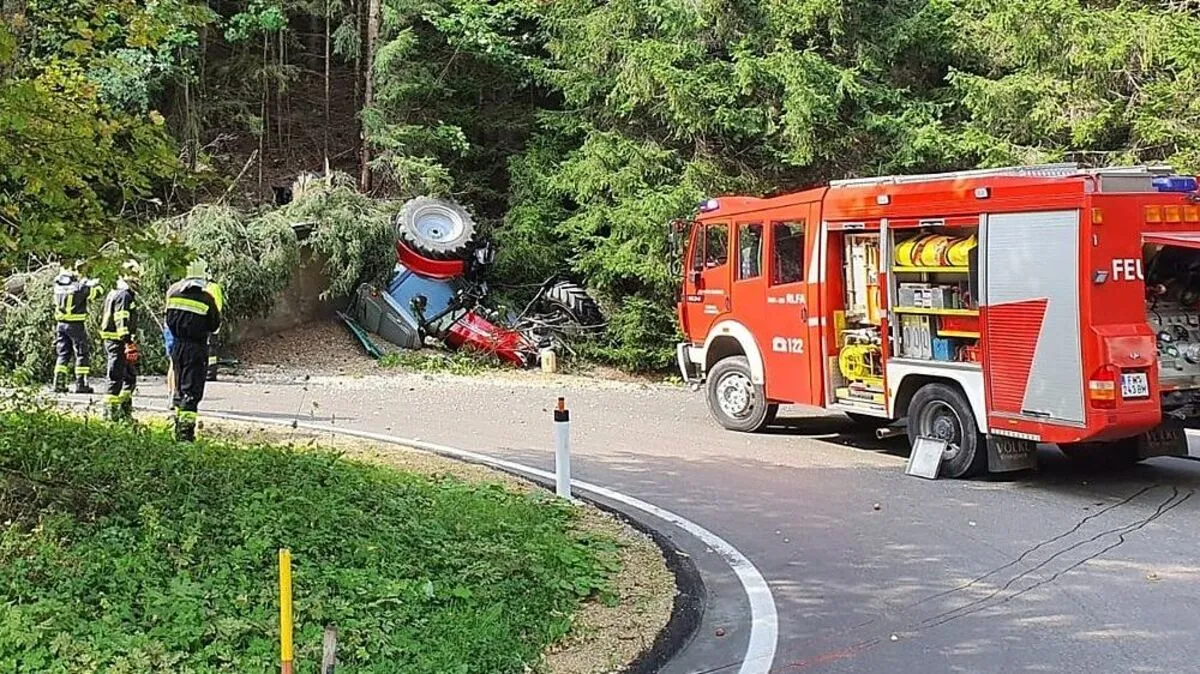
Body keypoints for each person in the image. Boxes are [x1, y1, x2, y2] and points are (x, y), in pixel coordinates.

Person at [165, 259, 223, 442]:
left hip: (177, 346)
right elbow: (214, 325)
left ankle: (176, 427)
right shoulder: (207, 299)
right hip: (196, 347)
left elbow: (168, 321)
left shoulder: (174, 296)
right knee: (191, 390)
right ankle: (185, 436)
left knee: (179, 387)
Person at [99, 261, 141, 422]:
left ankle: (124, 412)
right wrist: (128, 342)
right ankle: (109, 414)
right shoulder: (123, 295)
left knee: (128, 376)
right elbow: (121, 321)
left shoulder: (115, 291)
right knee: (115, 376)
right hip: (117, 341)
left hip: (115, 340)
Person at [52, 266, 103, 394]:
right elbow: (97, 293)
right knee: (81, 353)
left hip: (61, 325)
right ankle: (81, 384)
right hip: (76, 326)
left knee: (63, 354)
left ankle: (58, 383)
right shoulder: (79, 288)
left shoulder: (57, 288)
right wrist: (97, 283)